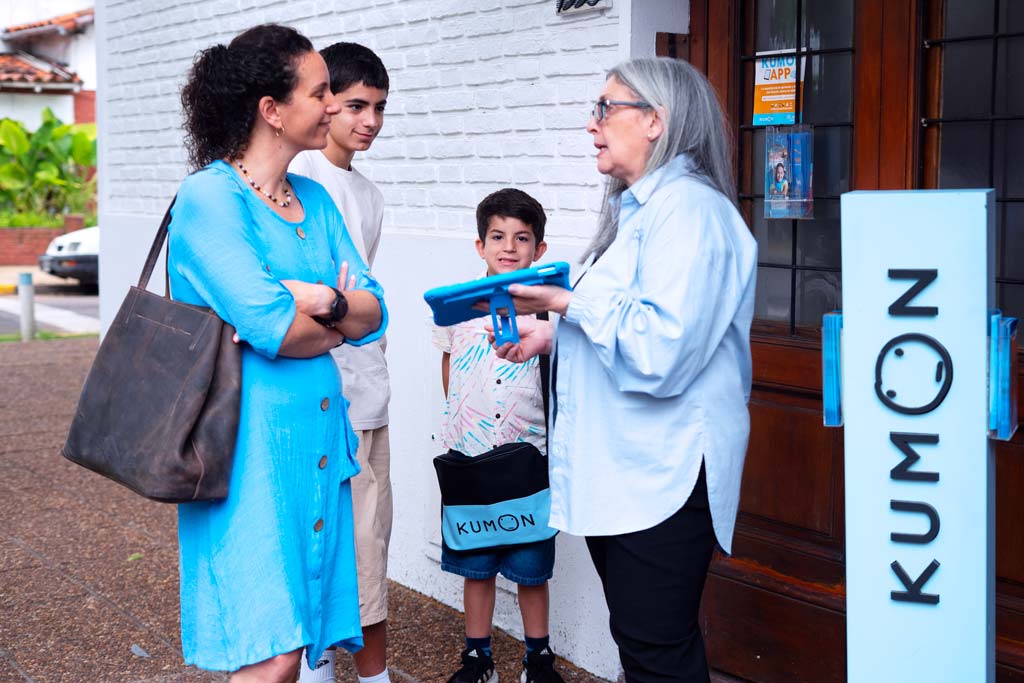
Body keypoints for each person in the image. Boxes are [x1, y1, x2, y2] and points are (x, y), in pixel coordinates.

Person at [489, 58, 758, 683]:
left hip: (662, 477)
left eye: (606, 108)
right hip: (632, 473)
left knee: (657, 657)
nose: (592, 126)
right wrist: (553, 336)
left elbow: (662, 351)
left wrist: (563, 301)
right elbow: (631, 322)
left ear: (656, 121)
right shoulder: (639, 213)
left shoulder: (691, 211)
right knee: (644, 650)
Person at [170, 24, 387, 683]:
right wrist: (327, 312)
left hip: (316, 446)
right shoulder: (210, 197)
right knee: (271, 653)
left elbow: (376, 309)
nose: (333, 106)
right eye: (321, 92)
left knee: (294, 649)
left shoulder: (315, 199)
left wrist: (318, 299)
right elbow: (273, 328)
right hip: (246, 451)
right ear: (271, 109)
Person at [431, 188, 565, 683]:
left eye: (522, 238)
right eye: (497, 236)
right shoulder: (455, 308)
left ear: (539, 250)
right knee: (476, 564)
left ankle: (538, 657)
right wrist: (463, 433)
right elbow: (449, 371)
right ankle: (477, 656)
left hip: (529, 458)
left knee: (532, 566)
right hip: (470, 458)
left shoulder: (549, 309)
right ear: (479, 244)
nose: (509, 247)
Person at [289, 43, 393, 683]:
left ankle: (358, 671)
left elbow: (364, 302)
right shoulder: (305, 186)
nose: (370, 120)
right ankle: (330, 668)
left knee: (366, 543)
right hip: (328, 396)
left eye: (380, 107)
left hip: (367, 388)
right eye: (356, 104)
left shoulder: (368, 192)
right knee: (337, 548)